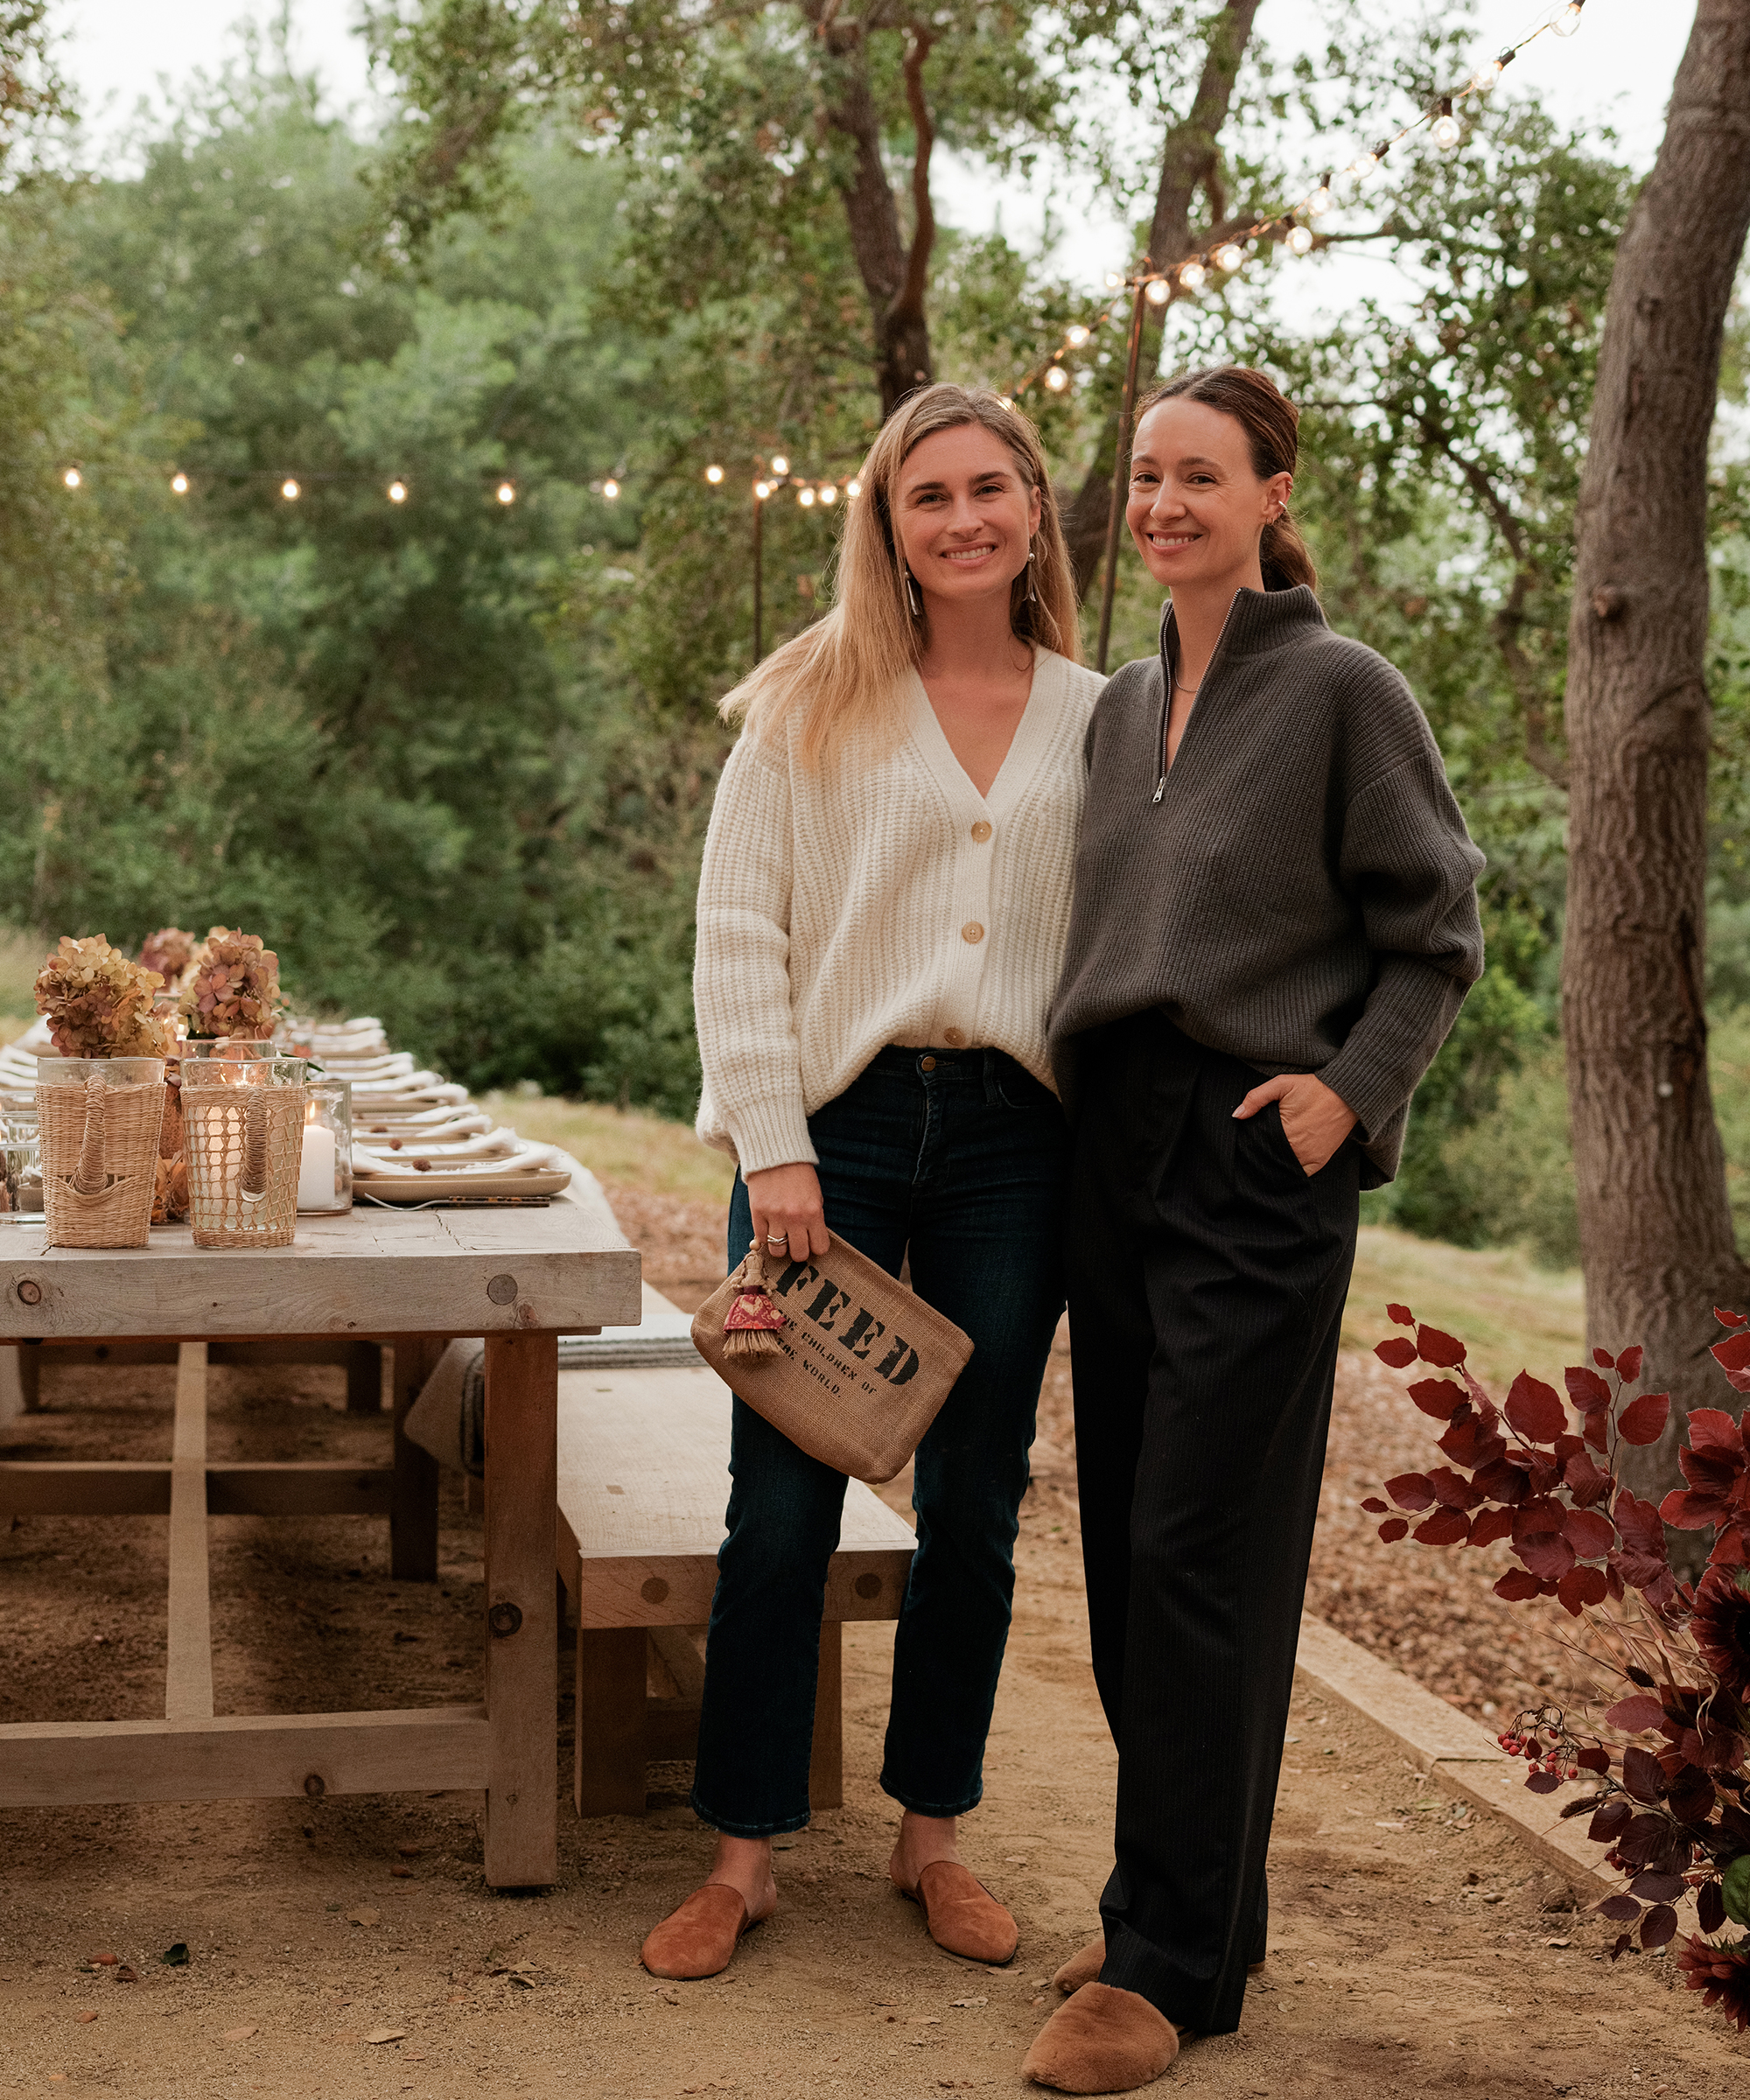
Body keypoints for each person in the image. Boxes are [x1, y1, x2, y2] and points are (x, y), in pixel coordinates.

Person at [1023, 366, 1485, 2094]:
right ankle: (1179, 1900)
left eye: (1198, 475)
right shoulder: (1119, 699)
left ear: (1272, 494)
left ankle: (1166, 1975)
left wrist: (1339, 1101)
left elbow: (1434, 928)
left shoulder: (1344, 691)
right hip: (1109, 1146)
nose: (1161, 503)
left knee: (1203, 1558)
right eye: (1143, 474)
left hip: (1247, 1159)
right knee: (1130, 1557)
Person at [640, 383, 1106, 1984]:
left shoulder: (1102, 716)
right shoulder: (812, 702)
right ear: (887, 525)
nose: (964, 517)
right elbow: (735, 937)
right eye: (930, 497)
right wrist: (772, 1143)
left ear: (1035, 508)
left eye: (992, 488)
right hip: (824, 1143)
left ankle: (932, 1837)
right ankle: (744, 1854)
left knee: (974, 1503)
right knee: (779, 1506)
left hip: (1012, 1150)